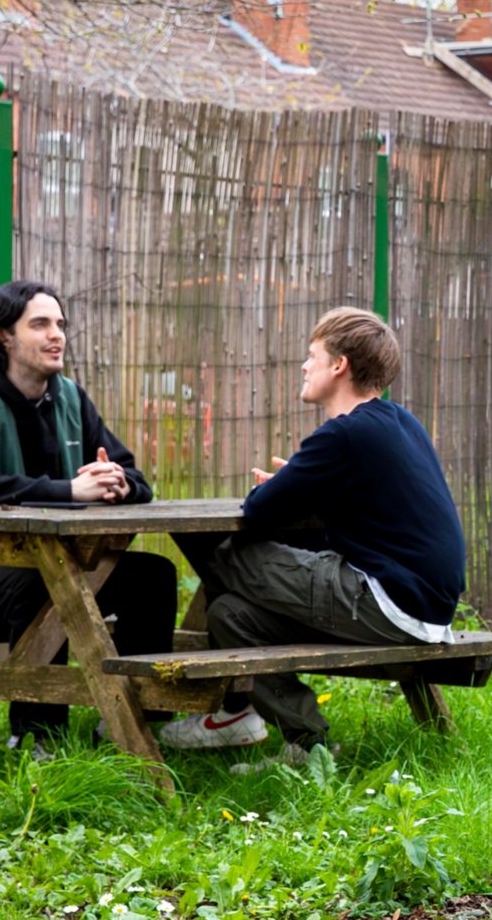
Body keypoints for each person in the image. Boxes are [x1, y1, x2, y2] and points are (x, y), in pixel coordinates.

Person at [158, 307, 466, 754]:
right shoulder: (400, 422)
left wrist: (284, 485)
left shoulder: (343, 434)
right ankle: (306, 745)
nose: (304, 366)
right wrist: (300, 484)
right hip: (426, 611)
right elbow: (368, 502)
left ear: (339, 365)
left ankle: (225, 711)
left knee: (225, 553)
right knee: (229, 614)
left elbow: (258, 509)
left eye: (312, 356)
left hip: (386, 601)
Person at [0, 280, 177, 743]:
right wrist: (71, 491)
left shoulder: (70, 398)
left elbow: (134, 474)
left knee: (152, 578)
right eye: (40, 324)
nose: (57, 335)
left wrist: (119, 483)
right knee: (46, 582)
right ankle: (38, 737)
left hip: (49, 567)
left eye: (60, 324)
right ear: (3, 334)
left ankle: (137, 724)